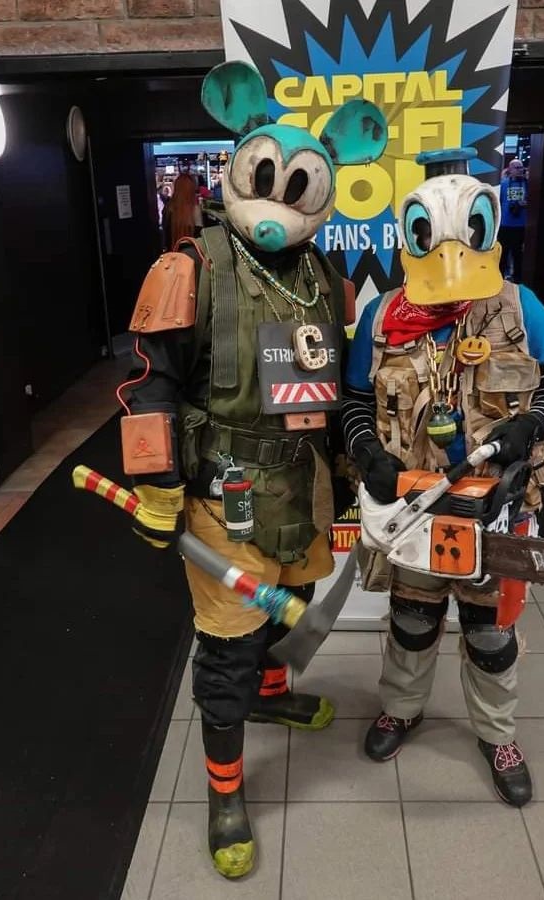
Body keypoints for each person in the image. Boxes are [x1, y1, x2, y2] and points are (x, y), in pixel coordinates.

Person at [118, 61, 387, 878]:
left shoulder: (325, 278)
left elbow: (340, 385)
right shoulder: (188, 268)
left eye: (299, 186)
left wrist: (357, 466)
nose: (279, 199)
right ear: (241, 164)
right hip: (222, 492)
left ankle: (273, 697)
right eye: (267, 177)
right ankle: (226, 792)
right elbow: (148, 383)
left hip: (303, 484)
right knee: (228, 649)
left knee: (288, 608)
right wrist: (157, 486)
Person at [342, 148, 544, 808]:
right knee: (412, 619)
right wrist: (367, 451)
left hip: (496, 508)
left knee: (489, 633)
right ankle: (401, 709)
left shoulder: (521, 309)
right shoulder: (382, 318)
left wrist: (530, 427)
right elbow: (355, 402)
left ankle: (498, 734)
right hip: (415, 510)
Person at [499, 157, 529, 281]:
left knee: (518, 254)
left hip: (520, 225)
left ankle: (517, 279)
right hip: (505, 224)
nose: (520, 170)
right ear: (510, 169)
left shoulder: (528, 184)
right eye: (517, 167)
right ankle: (500, 277)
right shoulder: (503, 184)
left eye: (521, 167)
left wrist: (525, 203)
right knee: (503, 253)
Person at [161, 172, 201, 251]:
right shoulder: (196, 210)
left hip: (172, 252)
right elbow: (200, 237)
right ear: (191, 189)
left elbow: (165, 235)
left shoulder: (167, 209)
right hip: (191, 254)